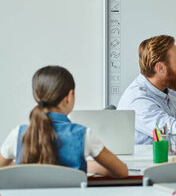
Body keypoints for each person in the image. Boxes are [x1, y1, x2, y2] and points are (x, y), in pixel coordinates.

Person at [0, 66, 128, 177]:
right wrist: (87, 166)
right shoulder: (83, 135)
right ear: (69, 96)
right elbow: (122, 171)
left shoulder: (18, 135)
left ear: (36, 96)